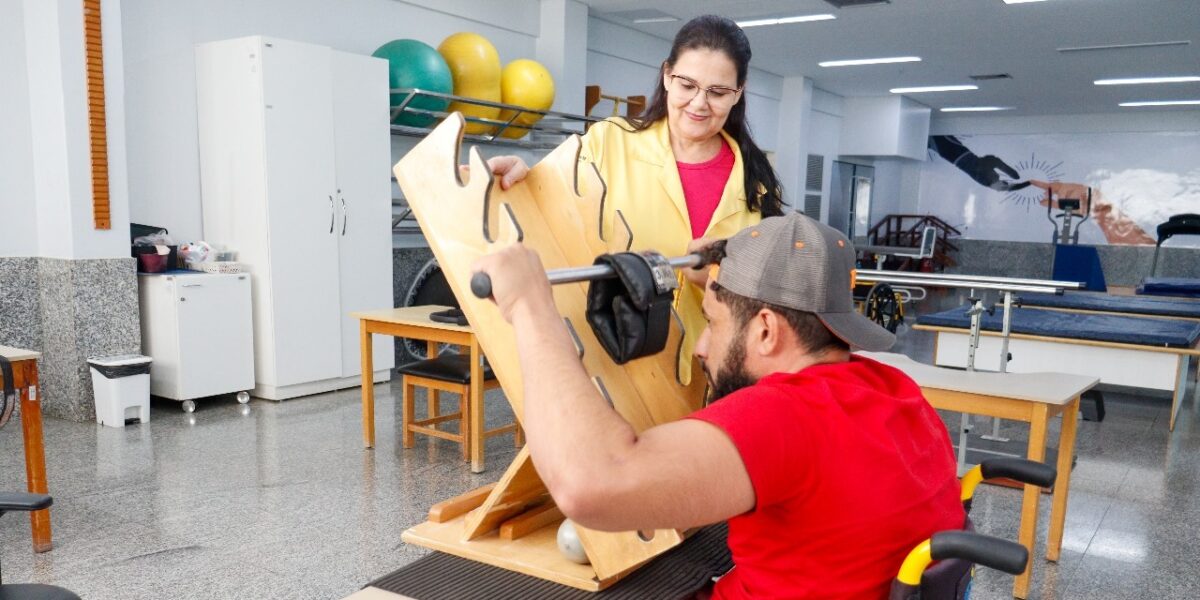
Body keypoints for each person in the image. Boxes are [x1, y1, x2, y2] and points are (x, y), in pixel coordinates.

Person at [472, 213, 966, 599]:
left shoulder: (787, 416)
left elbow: (590, 485)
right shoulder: (894, 389)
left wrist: (529, 306)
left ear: (767, 330)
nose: (702, 347)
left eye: (713, 322)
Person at [480, 15, 783, 386]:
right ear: (667, 75)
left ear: (739, 93)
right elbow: (550, 207)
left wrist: (717, 281)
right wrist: (522, 176)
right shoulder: (609, 142)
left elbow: (772, 300)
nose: (699, 104)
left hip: (717, 376)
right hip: (615, 368)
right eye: (687, 84)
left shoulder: (757, 183)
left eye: (718, 92)